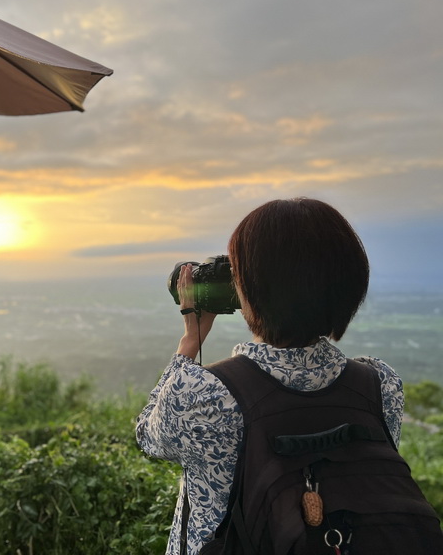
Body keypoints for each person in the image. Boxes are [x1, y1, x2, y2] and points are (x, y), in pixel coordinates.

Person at [136, 197, 405, 555]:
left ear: (251, 289)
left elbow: (148, 437)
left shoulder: (205, 395)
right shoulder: (379, 385)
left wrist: (190, 341)